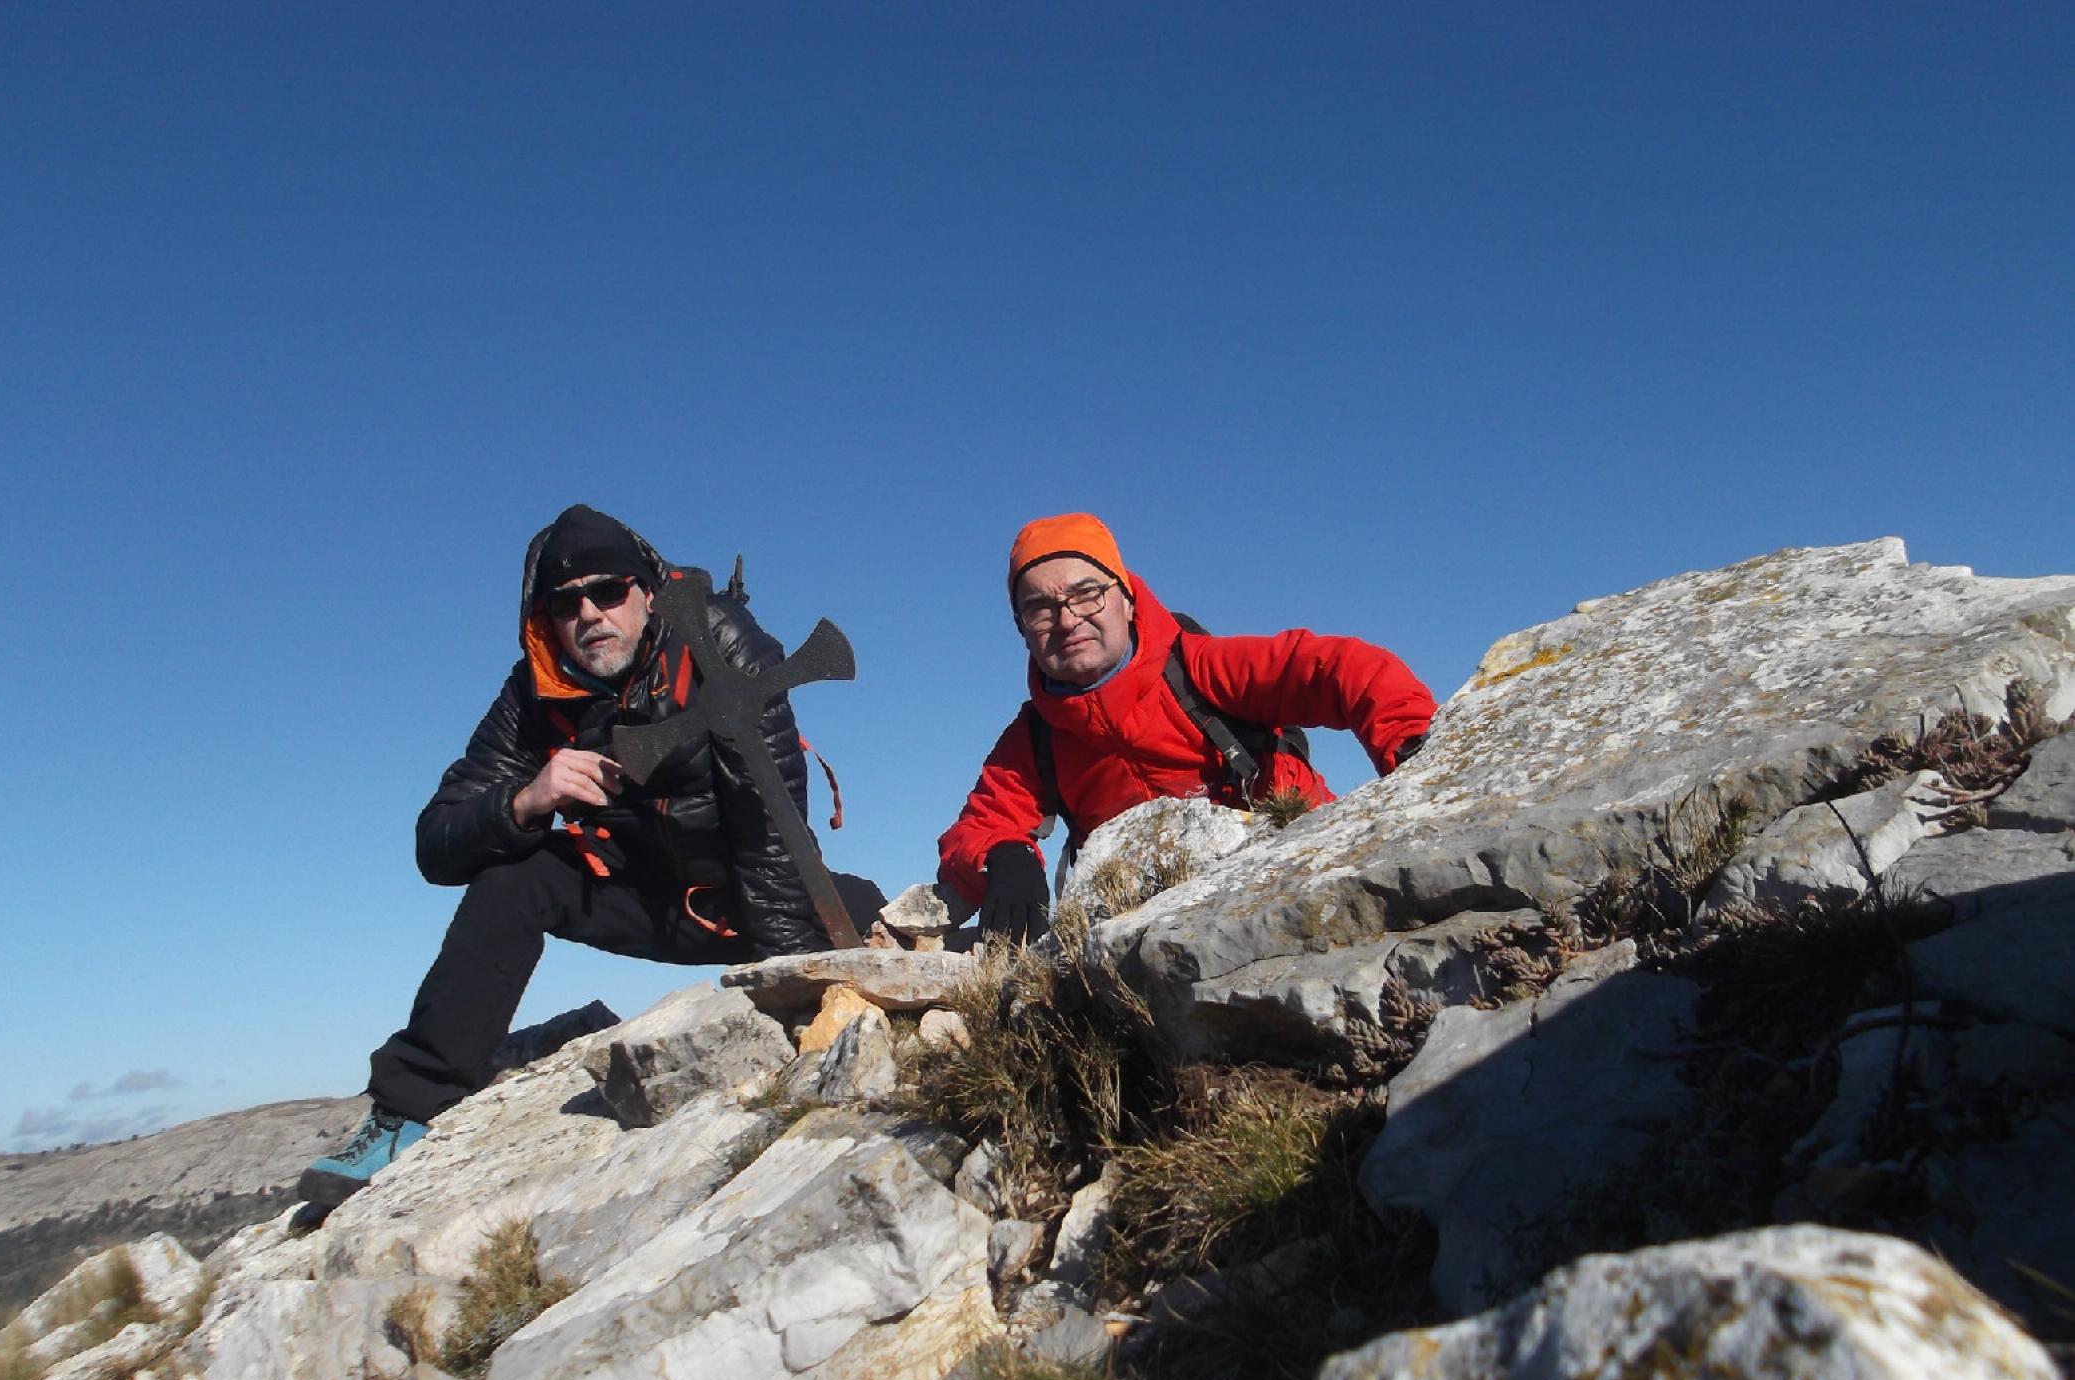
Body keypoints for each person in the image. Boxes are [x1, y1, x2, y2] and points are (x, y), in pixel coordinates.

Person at [300, 505, 843, 1207]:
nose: (589, 614)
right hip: (642, 901)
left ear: (646, 590)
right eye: (565, 602)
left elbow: (770, 826)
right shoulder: (534, 695)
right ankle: (406, 1113)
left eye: (608, 591)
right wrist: (527, 799)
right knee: (519, 872)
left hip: (753, 898)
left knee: (876, 919)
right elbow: (435, 844)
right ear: (546, 619)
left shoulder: (716, 645)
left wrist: (793, 995)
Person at [938, 512, 1438, 941]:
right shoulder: (1035, 737)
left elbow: (1340, 669)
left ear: (1127, 598)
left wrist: (1413, 743)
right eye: (1039, 609)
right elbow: (979, 827)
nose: (1067, 620)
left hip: (1306, 875)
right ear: (1022, 630)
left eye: (1086, 594)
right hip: (1152, 934)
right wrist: (1002, 856)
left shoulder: (1200, 668)